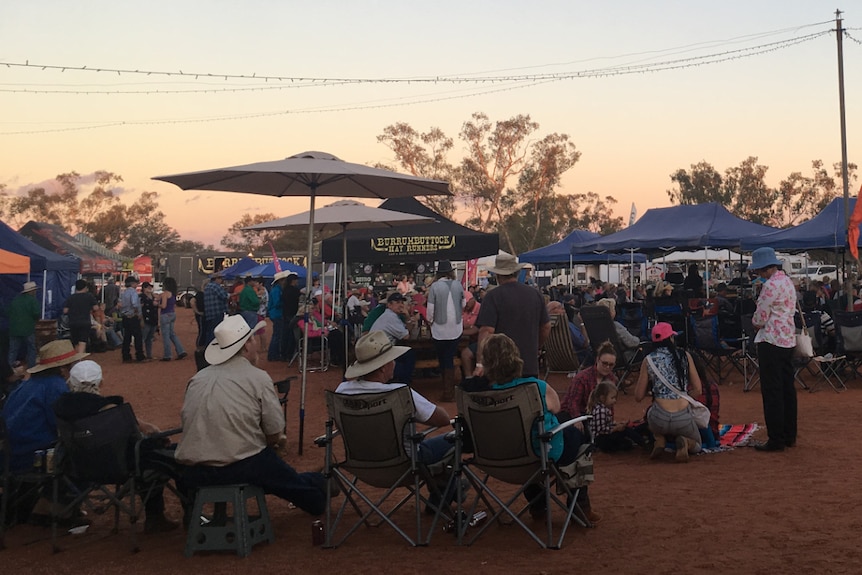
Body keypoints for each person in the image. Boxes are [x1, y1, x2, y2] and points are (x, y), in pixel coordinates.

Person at [176, 315, 330, 516]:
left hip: (192, 471)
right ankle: (314, 487)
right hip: (239, 466)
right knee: (283, 478)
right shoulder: (257, 378)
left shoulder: (197, 379)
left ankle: (200, 519)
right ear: (247, 345)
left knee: (276, 473)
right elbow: (275, 431)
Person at [481, 333, 600, 524]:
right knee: (577, 431)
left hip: (498, 456)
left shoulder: (480, 394)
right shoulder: (535, 387)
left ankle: (538, 507)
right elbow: (555, 407)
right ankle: (580, 506)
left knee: (527, 436)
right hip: (540, 456)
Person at [52, 360, 180, 533]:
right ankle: (156, 517)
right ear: (101, 382)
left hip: (77, 469)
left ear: (70, 382)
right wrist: (156, 441)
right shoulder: (112, 411)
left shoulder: (61, 408)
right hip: (119, 467)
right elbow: (135, 440)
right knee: (153, 460)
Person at [336, 331, 452, 466]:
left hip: (361, 464)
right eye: (392, 359)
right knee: (455, 438)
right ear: (384, 367)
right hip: (405, 464)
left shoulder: (342, 390)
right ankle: (446, 484)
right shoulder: (400, 393)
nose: (395, 363)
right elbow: (443, 419)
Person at [1, 340, 87, 471]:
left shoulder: (25, 385)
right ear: (63, 368)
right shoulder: (55, 385)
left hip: (9, 454)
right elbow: (61, 423)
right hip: (33, 455)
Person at [749, 247, 797, 452]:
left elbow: (759, 319)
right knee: (787, 389)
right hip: (788, 340)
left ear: (763, 269)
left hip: (770, 341)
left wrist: (754, 322)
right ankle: (789, 435)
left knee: (772, 392)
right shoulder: (787, 282)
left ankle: (775, 438)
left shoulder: (769, 286)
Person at [635, 322, 703, 463]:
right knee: (697, 446)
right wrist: (683, 398)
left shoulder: (648, 360)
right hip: (682, 416)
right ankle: (685, 441)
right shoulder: (685, 356)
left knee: (649, 414)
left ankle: (659, 438)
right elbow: (698, 389)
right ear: (671, 338)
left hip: (659, 417)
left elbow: (638, 396)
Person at [474, 253, 550, 379]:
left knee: (502, 397)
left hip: (500, 365)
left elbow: (486, 331)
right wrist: (536, 346)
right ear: (516, 273)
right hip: (529, 363)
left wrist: (480, 363)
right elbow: (546, 326)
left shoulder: (493, 296)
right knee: (528, 396)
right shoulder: (535, 294)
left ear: (497, 275)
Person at [425, 260, 465, 402]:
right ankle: (449, 390)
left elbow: (430, 310)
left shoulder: (435, 287)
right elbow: (463, 304)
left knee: (444, 358)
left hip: (439, 328)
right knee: (449, 356)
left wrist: (429, 321)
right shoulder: (458, 285)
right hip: (456, 327)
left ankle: (448, 391)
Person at [560, 340, 619, 420]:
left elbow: (610, 404)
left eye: (611, 365)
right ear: (597, 360)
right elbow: (573, 403)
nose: (607, 367)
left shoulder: (612, 379)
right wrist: (577, 420)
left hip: (592, 415)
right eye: (604, 363)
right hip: (570, 415)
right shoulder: (582, 378)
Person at [369, 292, 417, 383]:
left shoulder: (392, 315)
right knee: (409, 354)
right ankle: (404, 384)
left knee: (408, 354)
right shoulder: (390, 317)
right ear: (389, 305)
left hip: (380, 350)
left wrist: (407, 316)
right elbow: (406, 336)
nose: (401, 305)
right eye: (397, 302)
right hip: (379, 353)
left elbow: (406, 331)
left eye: (402, 302)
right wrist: (408, 318)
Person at [587, 381, 645, 452]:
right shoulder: (601, 411)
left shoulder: (604, 409)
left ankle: (638, 441)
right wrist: (616, 428)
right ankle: (644, 443)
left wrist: (617, 425)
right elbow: (601, 430)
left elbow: (607, 425)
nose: (614, 401)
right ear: (602, 398)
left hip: (605, 437)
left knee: (627, 442)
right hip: (602, 440)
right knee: (626, 431)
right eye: (612, 398)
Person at [8, 281, 40, 369]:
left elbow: (8, 312)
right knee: (31, 349)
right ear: (32, 291)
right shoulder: (33, 300)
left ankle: (9, 367)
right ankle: (31, 367)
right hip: (28, 329)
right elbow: (36, 313)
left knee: (13, 350)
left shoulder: (15, 300)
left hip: (14, 330)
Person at [546, 300, 591, 365]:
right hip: (577, 358)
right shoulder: (566, 325)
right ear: (552, 311)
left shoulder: (546, 325)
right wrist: (582, 322)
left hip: (556, 361)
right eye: (560, 308)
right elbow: (584, 344)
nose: (563, 310)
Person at [64, 279, 99, 354]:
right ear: (85, 287)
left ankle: (77, 358)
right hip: (85, 322)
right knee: (83, 341)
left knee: (76, 342)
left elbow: (65, 310)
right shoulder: (89, 296)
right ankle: (80, 358)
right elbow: (96, 308)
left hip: (73, 322)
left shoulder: (71, 297)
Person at [158, 277, 187, 362]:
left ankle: (167, 355)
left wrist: (156, 304)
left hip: (165, 314)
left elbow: (163, 306)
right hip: (172, 314)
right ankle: (181, 350)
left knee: (166, 336)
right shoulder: (173, 294)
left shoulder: (164, 294)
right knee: (172, 334)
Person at [118, 277, 146, 363]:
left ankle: (126, 355)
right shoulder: (133, 292)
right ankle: (139, 355)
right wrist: (138, 313)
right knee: (138, 336)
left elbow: (120, 305)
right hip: (132, 316)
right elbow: (134, 304)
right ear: (132, 283)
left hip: (125, 316)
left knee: (127, 337)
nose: (136, 284)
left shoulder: (124, 292)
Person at [203, 272, 229, 346]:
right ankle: (212, 347)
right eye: (220, 278)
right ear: (216, 279)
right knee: (216, 331)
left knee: (210, 331)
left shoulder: (207, 286)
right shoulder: (216, 286)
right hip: (217, 312)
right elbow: (224, 296)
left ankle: (207, 347)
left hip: (209, 313)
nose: (222, 280)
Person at [280, 272, 302, 359]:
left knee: (286, 334)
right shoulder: (294, 290)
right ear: (293, 281)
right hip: (292, 314)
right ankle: (289, 354)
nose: (297, 282)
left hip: (286, 314)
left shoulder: (285, 290)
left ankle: (284, 353)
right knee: (292, 335)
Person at [267, 271, 287, 361]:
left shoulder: (276, 289)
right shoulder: (277, 290)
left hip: (275, 313)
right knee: (277, 335)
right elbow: (277, 303)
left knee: (277, 334)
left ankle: (273, 354)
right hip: (277, 314)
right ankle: (272, 355)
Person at [140, 281, 159, 360]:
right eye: (148, 287)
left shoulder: (153, 296)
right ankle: (141, 354)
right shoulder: (142, 297)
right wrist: (141, 320)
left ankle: (149, 355)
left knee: (150, 338)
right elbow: (140, 309)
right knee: (143, 338)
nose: (150, 289)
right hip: (146, 319)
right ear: (144, 288)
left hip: (153, 319)